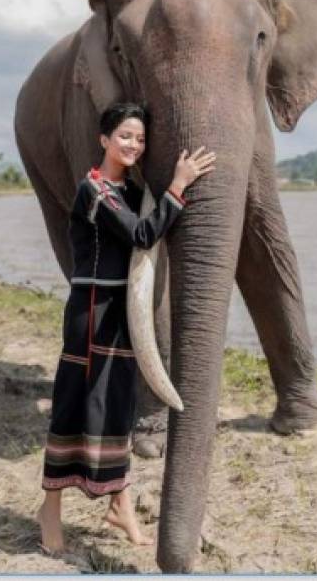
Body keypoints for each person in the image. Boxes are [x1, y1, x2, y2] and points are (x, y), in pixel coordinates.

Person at [37, 101, 216, 554]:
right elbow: (142, 235)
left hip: (120, 312)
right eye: (124, 137)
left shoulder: (133, 193)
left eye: (139, 138)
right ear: (103, 140)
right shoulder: (93, 192)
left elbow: (150, 221)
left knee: (117, 406)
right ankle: (50, 510)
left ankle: (122, 506)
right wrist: (178, 186)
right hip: (91, 312)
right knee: (73, 405)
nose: (133, 145)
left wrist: (170, 185)